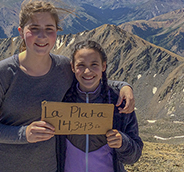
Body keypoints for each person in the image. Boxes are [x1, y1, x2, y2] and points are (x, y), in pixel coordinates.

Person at [0, 0, 135, 172]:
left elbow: (90, 78)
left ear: (56, 32)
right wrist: (24, 134)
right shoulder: (3, 72)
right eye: (34, 28)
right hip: (5, 166)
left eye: (49, 29)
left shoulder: (63, 68)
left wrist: (124, 86)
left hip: (48, 167)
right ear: (21, 32)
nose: (42, 36)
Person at [57, 40, 143, 172]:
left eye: (94, 64)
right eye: (81, 65)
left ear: (104, 66)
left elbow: (134, 155)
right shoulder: (61, 97)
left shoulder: (118, 101)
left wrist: (122, 143)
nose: (87, 71)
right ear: (72, 67)